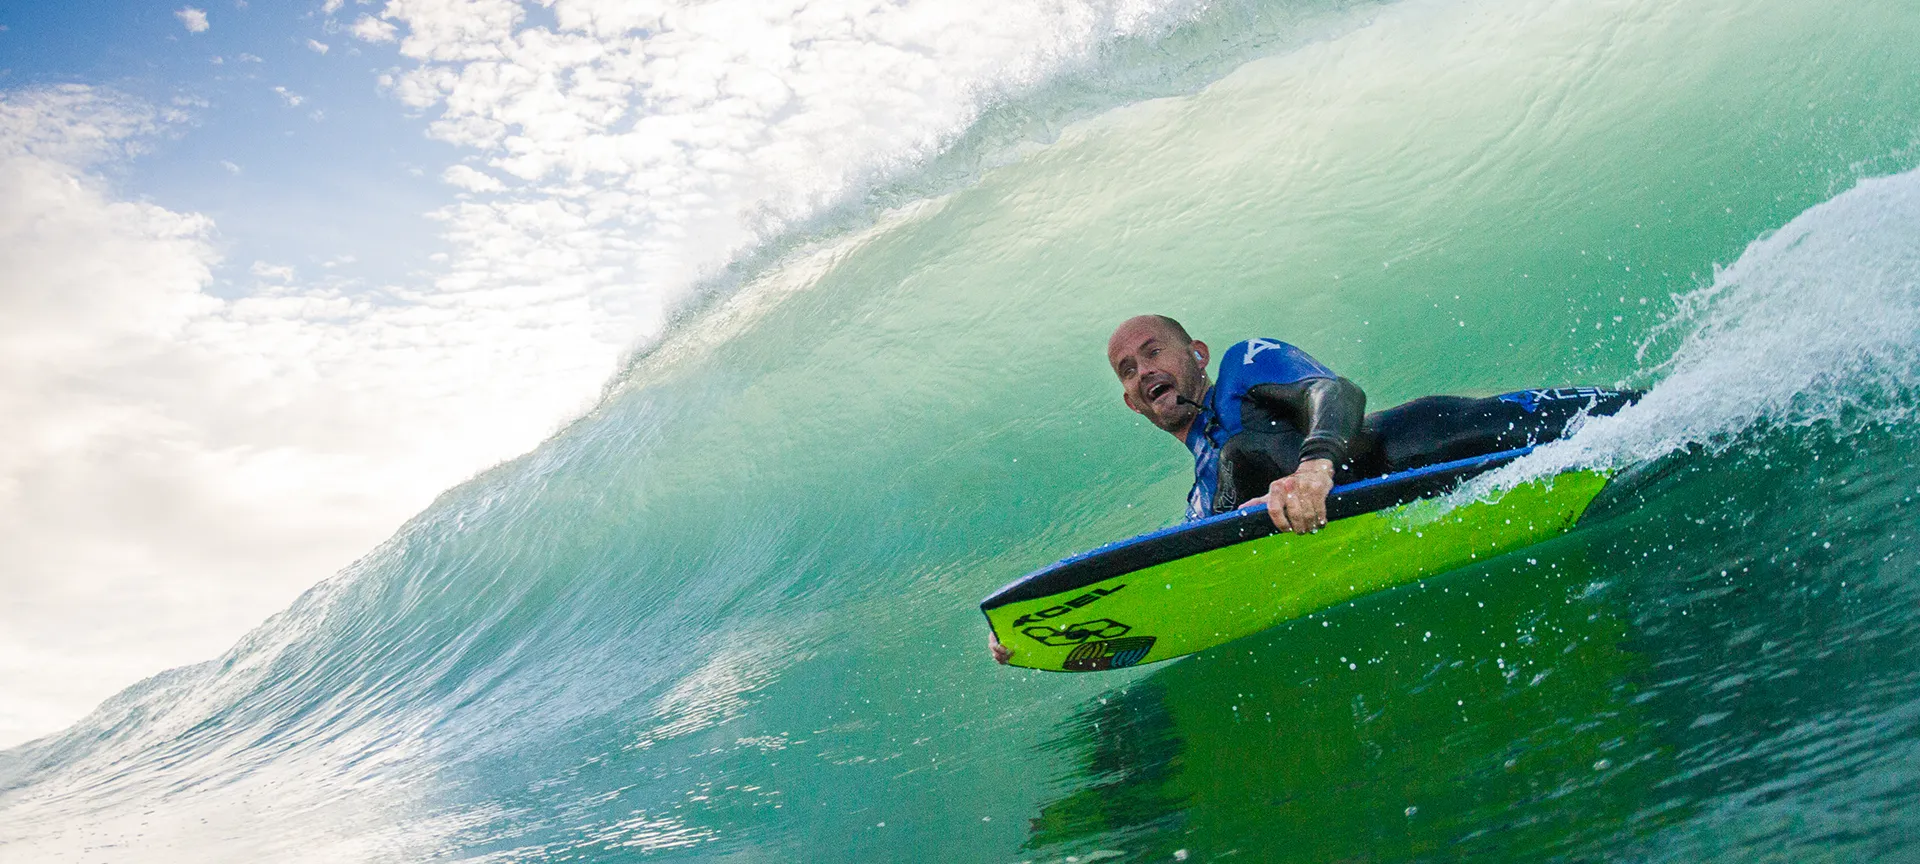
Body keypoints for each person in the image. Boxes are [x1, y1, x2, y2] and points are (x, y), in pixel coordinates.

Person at [987, 314, 1639, 664]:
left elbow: (1336, 393)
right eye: (1128, 371)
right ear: (1132, 403)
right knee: (1224, 498)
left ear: (1198, 354)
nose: (1143, 370)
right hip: (1381, 509)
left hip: (1457, 436)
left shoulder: (1244, 368)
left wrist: (1317, 466)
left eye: (1153, 351)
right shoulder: (1201, 500)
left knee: (1660, 420)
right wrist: (1044, 633)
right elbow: (1169, 569)